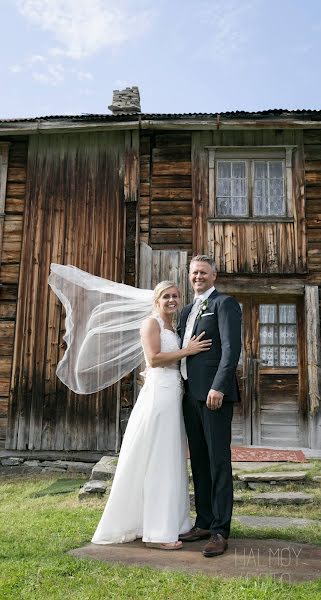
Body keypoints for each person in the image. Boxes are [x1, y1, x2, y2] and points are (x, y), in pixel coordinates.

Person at [91, 280, 212, 550]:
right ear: (157, 299)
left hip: (174, 394)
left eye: (175, 296)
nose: (172, 300)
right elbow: (154, 358)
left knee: (170, 457)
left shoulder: (172, 326)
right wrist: (188, 351)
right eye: (167, 296)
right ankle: (157, 534)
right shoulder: (151, 324)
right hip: (160, 395)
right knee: (159, 457)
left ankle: (168, 523)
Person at [178, 255, 242, 558]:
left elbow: (231, 349)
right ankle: (203, 522)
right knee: (200, 462)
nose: (198, 276)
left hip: (214, 396)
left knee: (218, 462)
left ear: (214, 275)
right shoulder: (187, 310)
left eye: (203, 272)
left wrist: (218, 386)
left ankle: (219, 530)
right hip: (189, 396)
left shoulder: (224, 304)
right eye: (194, 272)